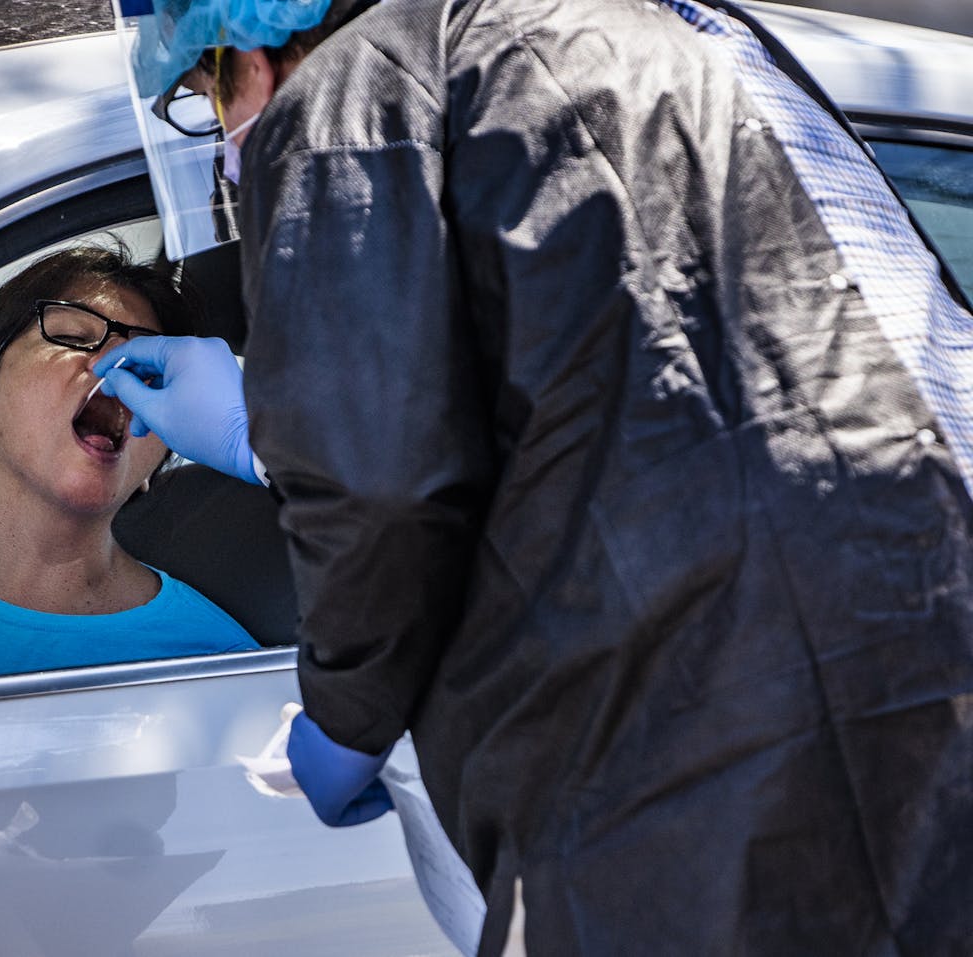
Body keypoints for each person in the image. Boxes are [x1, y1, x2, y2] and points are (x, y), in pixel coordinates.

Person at [101, 0, 973, 952]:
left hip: (702, 752)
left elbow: (385, 484)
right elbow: (637, 385)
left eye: (205, 93)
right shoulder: (677, 34)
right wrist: (265, 437)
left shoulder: (356, 92)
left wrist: (345, 720)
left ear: (250, 50)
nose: (225, 138)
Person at [0, 245, 258, 676]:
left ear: (154, 463)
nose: (112, 371)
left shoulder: (215, 661)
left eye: (147, 371)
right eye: (73, 338)